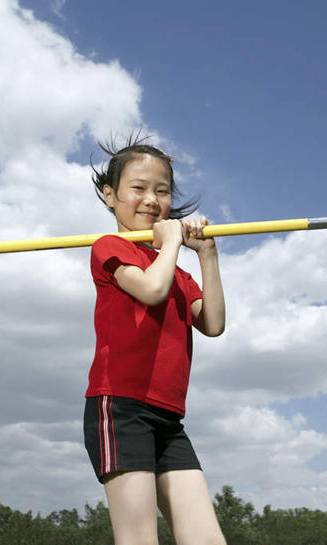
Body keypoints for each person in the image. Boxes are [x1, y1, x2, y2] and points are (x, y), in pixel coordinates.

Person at [84, 136, 227, 545]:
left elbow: (213, 323)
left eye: (162, 191)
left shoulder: (177, 273)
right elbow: (150, 290)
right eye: (138, 188)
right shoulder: (109, 248)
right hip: (120, 409)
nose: (151, 200)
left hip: (168, 418)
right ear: (110, 196)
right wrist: (170, 245)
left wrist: (206, 255)